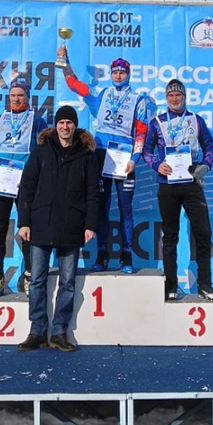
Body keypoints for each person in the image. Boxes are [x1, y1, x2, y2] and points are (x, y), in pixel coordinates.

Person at [16, 105, 99, 353]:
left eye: (69, 123)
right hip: (40, 223)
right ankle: (37, 331)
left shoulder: (87, 155)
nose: (65, 127)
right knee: (37, 280)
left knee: (68, 283)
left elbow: (93, 193)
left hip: (72, 225)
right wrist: (24, 222)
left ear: (75, 126)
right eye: (61, 122)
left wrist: (90, 224)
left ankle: (60, 331)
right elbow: (27, 187)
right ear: (56, 126)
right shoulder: (41, 151)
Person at [58, 46, 148, 273]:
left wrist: (135, 159)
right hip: (101, 155)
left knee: (126, 207)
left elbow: (141, 132)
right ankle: (102, 254)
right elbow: (74, 84)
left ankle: (127, 255)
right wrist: (64, 61)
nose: (118, 75)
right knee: (101, 206)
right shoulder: (102, 95)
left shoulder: (138, 100)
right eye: (115, 72)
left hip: (125, 158)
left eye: (122, 72)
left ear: (128, 74)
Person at [143, 79, 213, 301]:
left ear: (184, 97)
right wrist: (156, 164)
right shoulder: (157, 122)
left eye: (178, 95)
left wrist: (206, 165)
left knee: (203, 232)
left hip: (191, 181)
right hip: (168, 183)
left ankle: (205, 284)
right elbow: (147, 150)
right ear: (166, 98)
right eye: (171, 95)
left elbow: (210, 146)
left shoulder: (196, 120)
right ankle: (170, 285)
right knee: (170, 236)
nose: (175, 99)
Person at [0, 78, 47, 297]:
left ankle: (30, 275)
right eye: (13, 95)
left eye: (20, 95)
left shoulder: (37, 121)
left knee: (28, 229)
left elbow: (43, 152)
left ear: (28, 97)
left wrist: (32, 176)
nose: (16, 99)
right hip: (1, 182)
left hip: (25, 183)